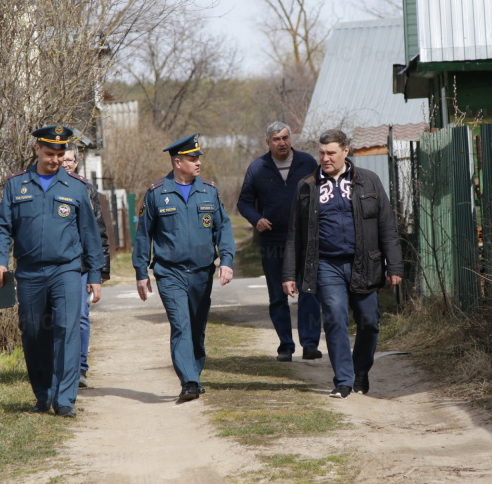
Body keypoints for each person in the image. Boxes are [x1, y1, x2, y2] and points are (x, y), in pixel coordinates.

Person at [0, 125, 103, 417]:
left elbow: (90, 235)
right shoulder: (16, 185)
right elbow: (2, 227)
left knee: (67, 329)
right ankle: (43, 395)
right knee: (33, 331)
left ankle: (65, 399)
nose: (55, 159)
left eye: (60, 153)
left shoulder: (76, 187)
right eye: (49, 153)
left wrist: (95, 276)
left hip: (66, 270)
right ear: (37, 149)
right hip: (28, 272)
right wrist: (0, 260)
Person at [282, 129, 403, 399]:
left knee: (369, 321)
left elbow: (387, 227)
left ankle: (361, 371)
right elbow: (294, 235)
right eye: (322, 153)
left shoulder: (368, 181)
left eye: (331, 153)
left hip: (365, 263)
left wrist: (394, 266)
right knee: (335, 318)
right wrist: (289, 274)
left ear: (346, 151)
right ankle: (344, 381)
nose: (325, 158)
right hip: (326, 265)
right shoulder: (307, 186)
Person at [133, 132, 235, 402]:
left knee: (197, 328)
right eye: (192, 158)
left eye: (199, 157)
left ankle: (195, 374)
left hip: (202, 272)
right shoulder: (157, 193)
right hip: (170, 273)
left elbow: (222, 228)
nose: (198, 162)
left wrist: (226, 260)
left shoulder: (209, 191)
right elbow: (144, 235)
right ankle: (188, 381)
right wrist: (141, 272)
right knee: (180, 325)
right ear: (178, 162)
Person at [237, 121, 322, 362]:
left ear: (290, 139)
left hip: (305, 241)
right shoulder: (258, 168)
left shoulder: (307, 163)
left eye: (285, 138)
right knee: (277, 296)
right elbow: (243, 202)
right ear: (268, 142)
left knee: (309, 292)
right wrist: (256, 219)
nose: (282, 143)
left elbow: (321, 194)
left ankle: (310, 344)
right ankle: (285, 345)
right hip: (273, 241)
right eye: (276, 139)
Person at [62, 144, 111, 389]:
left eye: (70, 160)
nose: (65, 164)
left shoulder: (86, 189)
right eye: (63, 159)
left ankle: (81, 368)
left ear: (76, 163)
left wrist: (100, 272)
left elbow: (98, 232)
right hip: (57, 265)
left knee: (81, 315)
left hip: (81, 265)